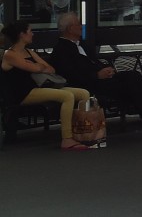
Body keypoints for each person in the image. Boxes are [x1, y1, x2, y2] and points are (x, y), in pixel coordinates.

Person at [51, 12, 142, 140]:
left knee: (134, 76)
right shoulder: (61, 50)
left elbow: (93, 62)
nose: (82, 27)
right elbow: (71, 75)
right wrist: (97, 75)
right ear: (70, 28)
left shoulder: (82, 44)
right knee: (132, 86)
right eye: (79, 24)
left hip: (101, 79)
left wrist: (106, 70)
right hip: (90, 83)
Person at [1, 19, 93, 150]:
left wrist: (36, 66)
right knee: (67, 96)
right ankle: (67, 138)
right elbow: (35, 69)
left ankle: (81, 132)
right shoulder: (10, 55)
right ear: (22, 34)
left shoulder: (29, 52)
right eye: (30, 31)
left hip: (38, 88)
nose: (32, 34)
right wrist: (37, 66)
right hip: (22, 93)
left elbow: (50, 69)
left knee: (83, 93)